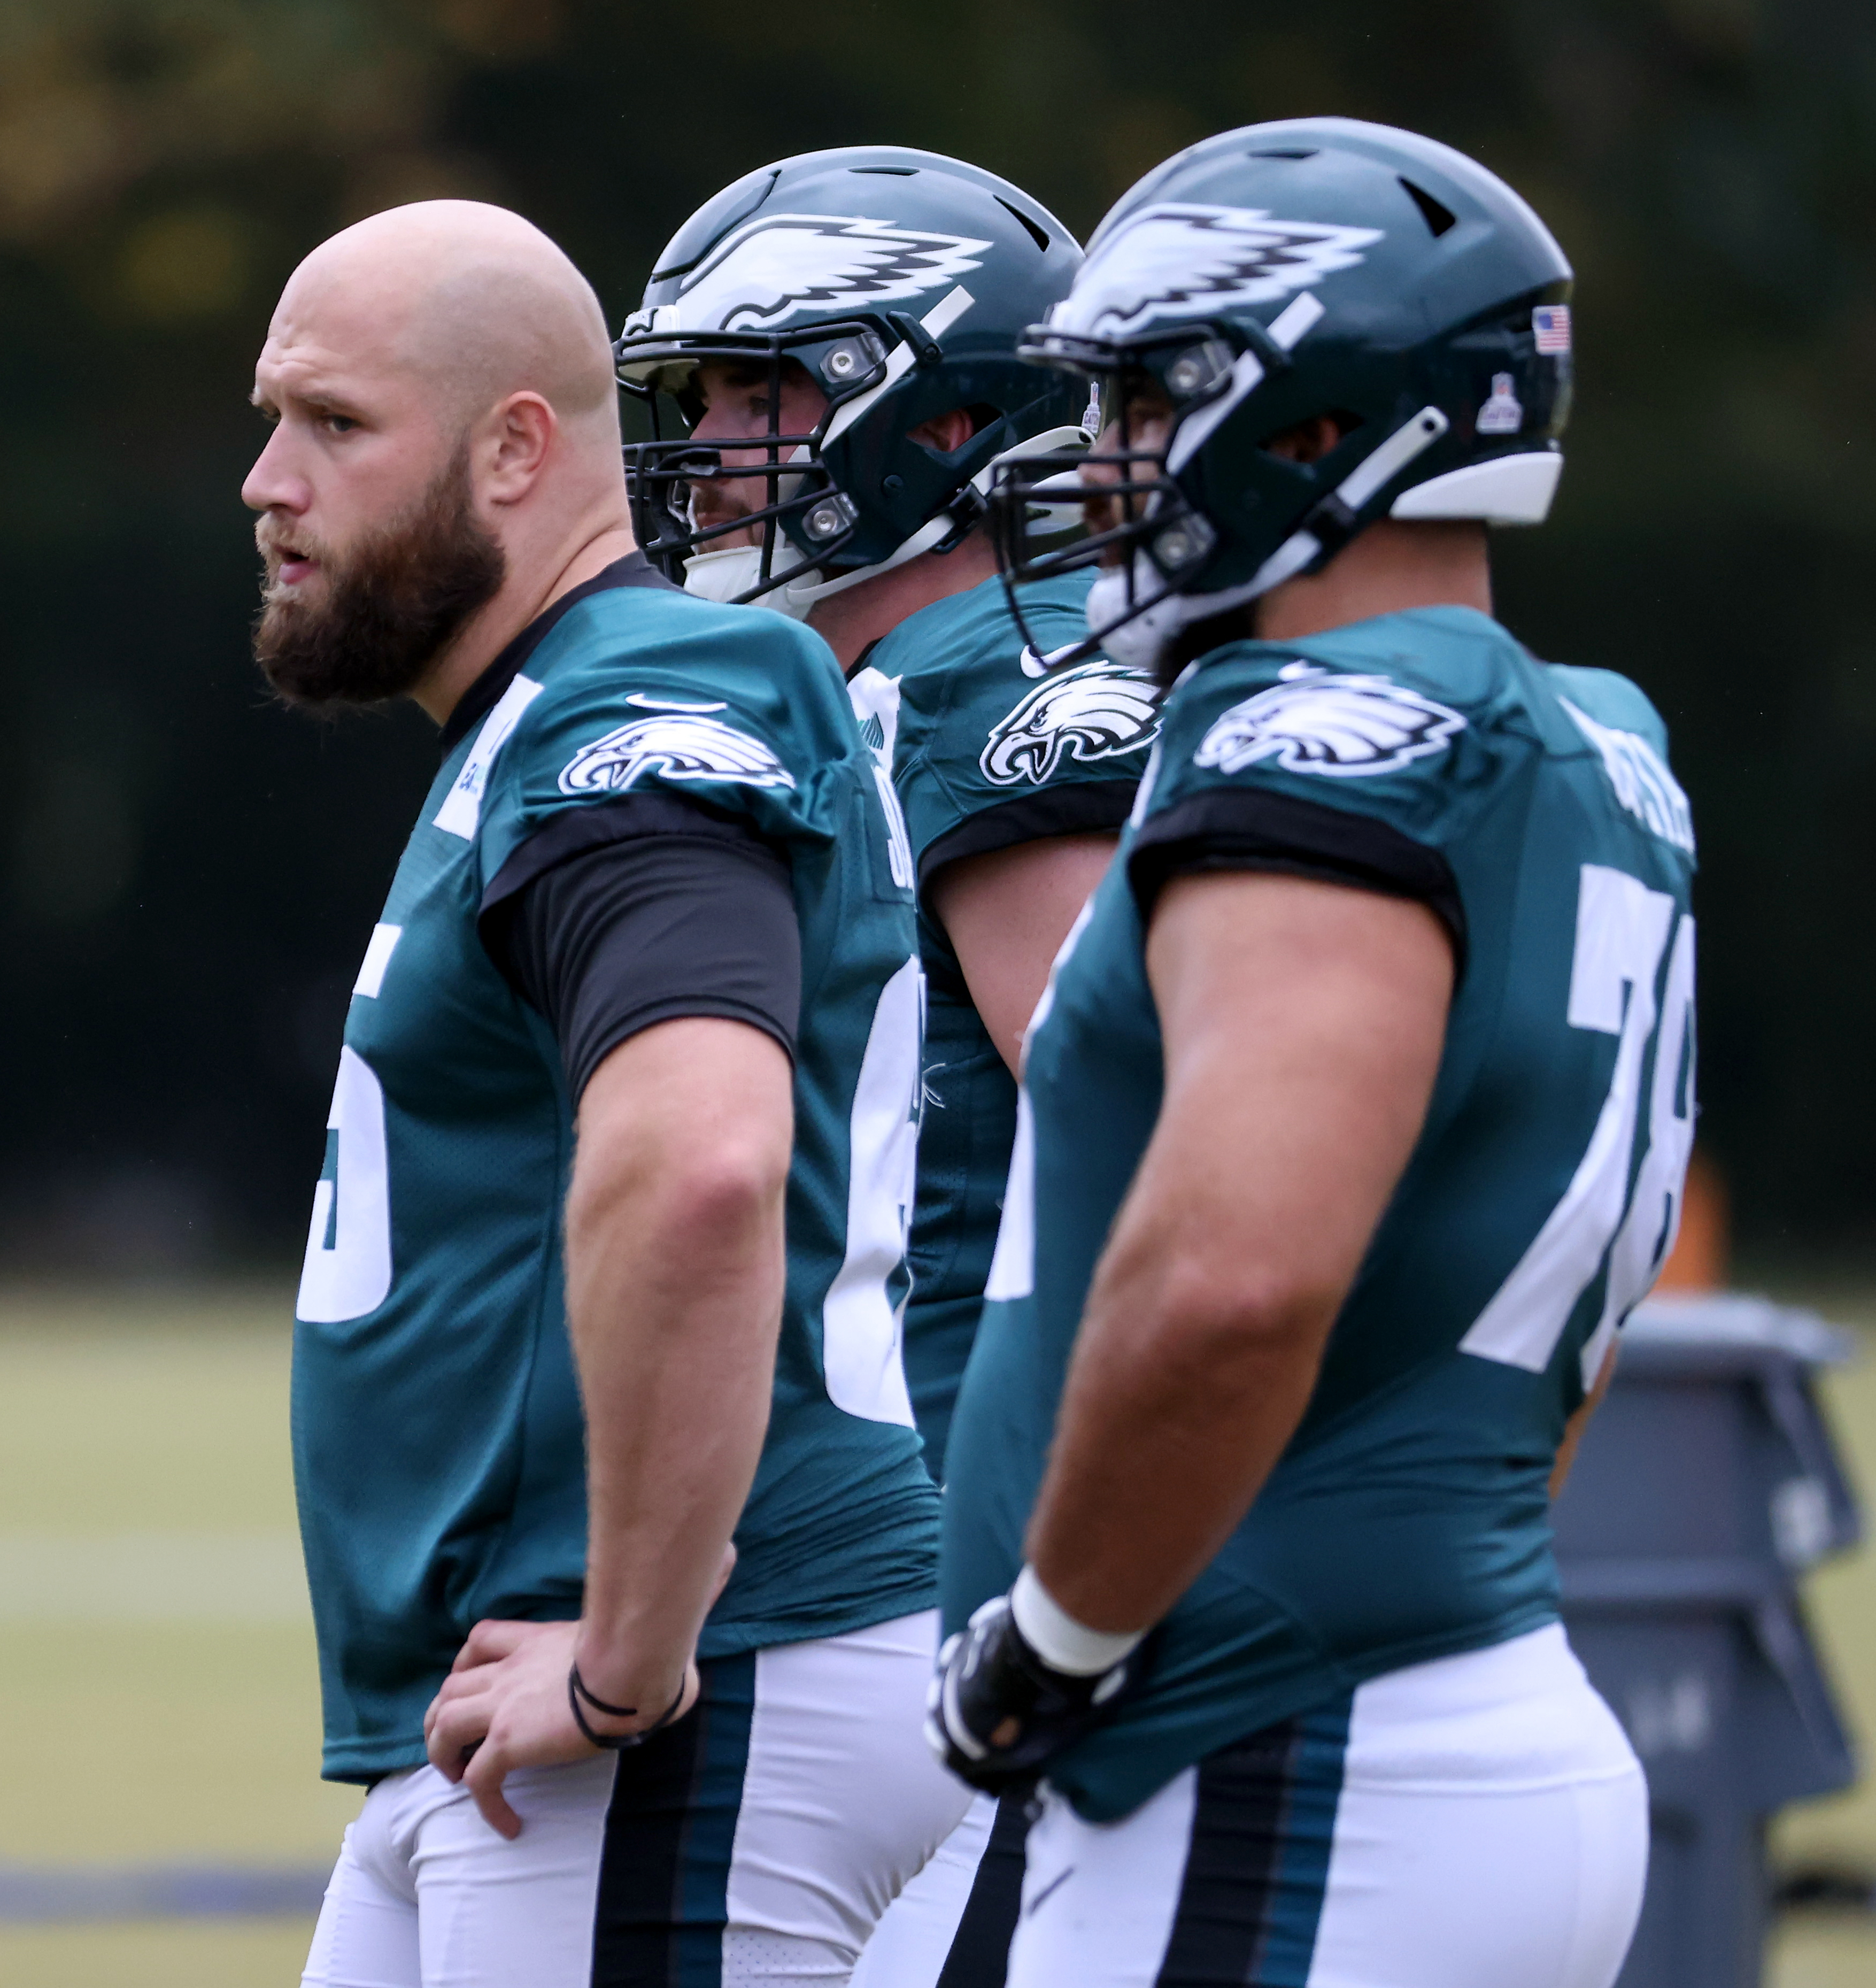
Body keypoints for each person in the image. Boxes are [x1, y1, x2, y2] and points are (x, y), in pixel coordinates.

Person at [930, 119, 1693, 1986]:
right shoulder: (1599, 738)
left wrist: (1059, 1637)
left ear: (1317, 424)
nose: (1098, 464)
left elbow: (1235, 1279)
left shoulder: (1323, 727)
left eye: (1142, 403)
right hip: (1446, 1702)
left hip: (1285, 1749)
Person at [246, 198, 967, 1987]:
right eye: (270, 418)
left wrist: (630, 1652)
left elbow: (704, 1163)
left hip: (697, 1686)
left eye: (335, 425)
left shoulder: (639, 697)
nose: (268, 482)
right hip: (539, 1696)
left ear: (515, 450)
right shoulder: (541, 715)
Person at [618, 148, 1162, 1981]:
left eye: (766, 388)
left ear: (939, 420)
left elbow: (1133, 1145)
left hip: (966, 1560)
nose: (710, 437)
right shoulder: (867, 692)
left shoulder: (981, 699)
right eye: (698, 391)